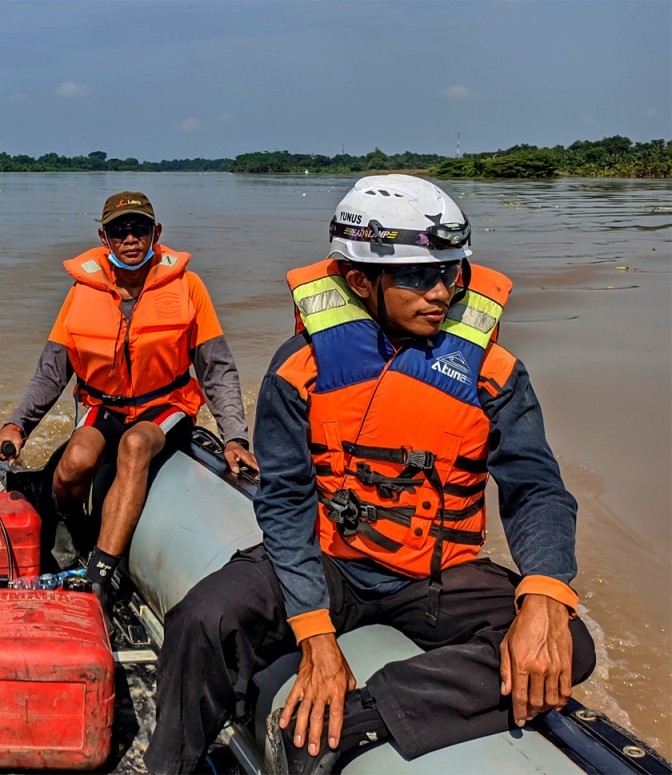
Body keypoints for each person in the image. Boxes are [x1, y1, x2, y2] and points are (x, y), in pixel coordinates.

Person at [145, 175, 596, 774]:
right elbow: (283, 503)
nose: (440, 292)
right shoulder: (299, 368)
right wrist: (315, 635)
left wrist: (543, 595)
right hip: (331, 562)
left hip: (437, 577)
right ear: (361, 281)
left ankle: (364, 717)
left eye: (452, 272)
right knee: (203, 618)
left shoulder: (493, 371)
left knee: (575, 643)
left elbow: (536, 488)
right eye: (416, 276)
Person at [0, 191, 257, 602]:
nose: (130, 240)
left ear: (156, 233)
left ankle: (98, 576)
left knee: (134, 445)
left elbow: (216, 367)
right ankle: (74, 535)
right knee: (74, 463)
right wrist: (18, 424)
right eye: (119, 231)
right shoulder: (82, 291)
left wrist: (235, 436)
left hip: (165, 407)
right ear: (104, 237)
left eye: (139, 230)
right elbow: (53, 369)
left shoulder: (189, 287)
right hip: (105, 405)